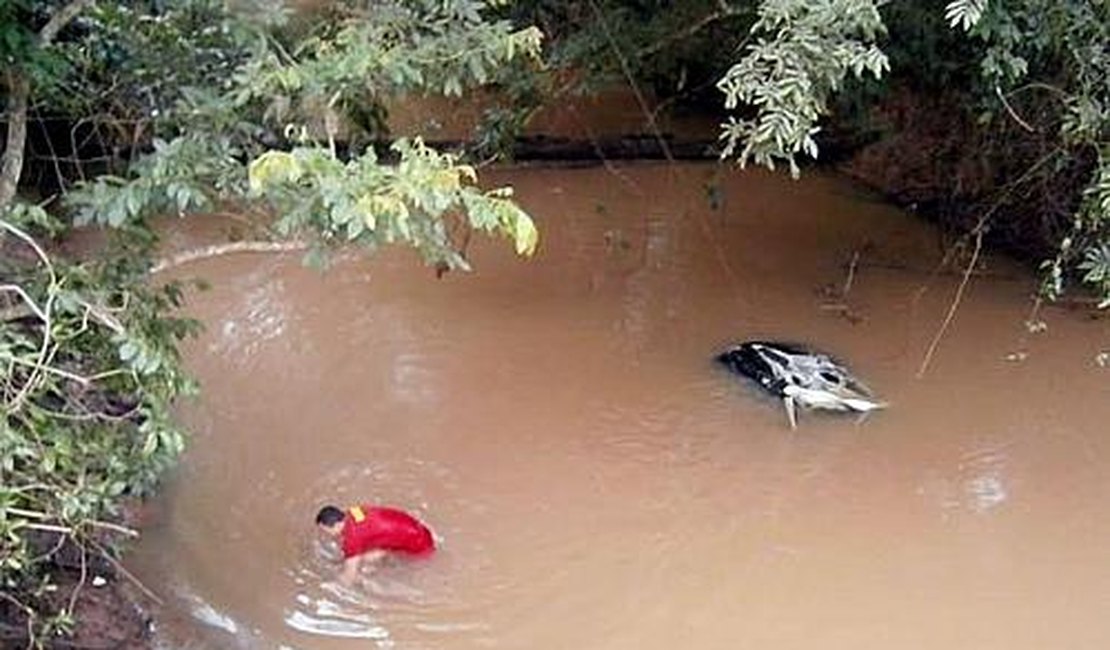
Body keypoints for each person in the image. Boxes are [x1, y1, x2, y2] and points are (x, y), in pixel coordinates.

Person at [315, 504, 436, 585]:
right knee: (364, 556)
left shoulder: (352, 538)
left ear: (336, 525)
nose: (327, 534)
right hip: (419, 529)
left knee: (357, 567)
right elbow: (369, 529)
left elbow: (349, 578)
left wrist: (329, 583)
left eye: (325, 530)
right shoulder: (354, 511)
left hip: (420, 546)